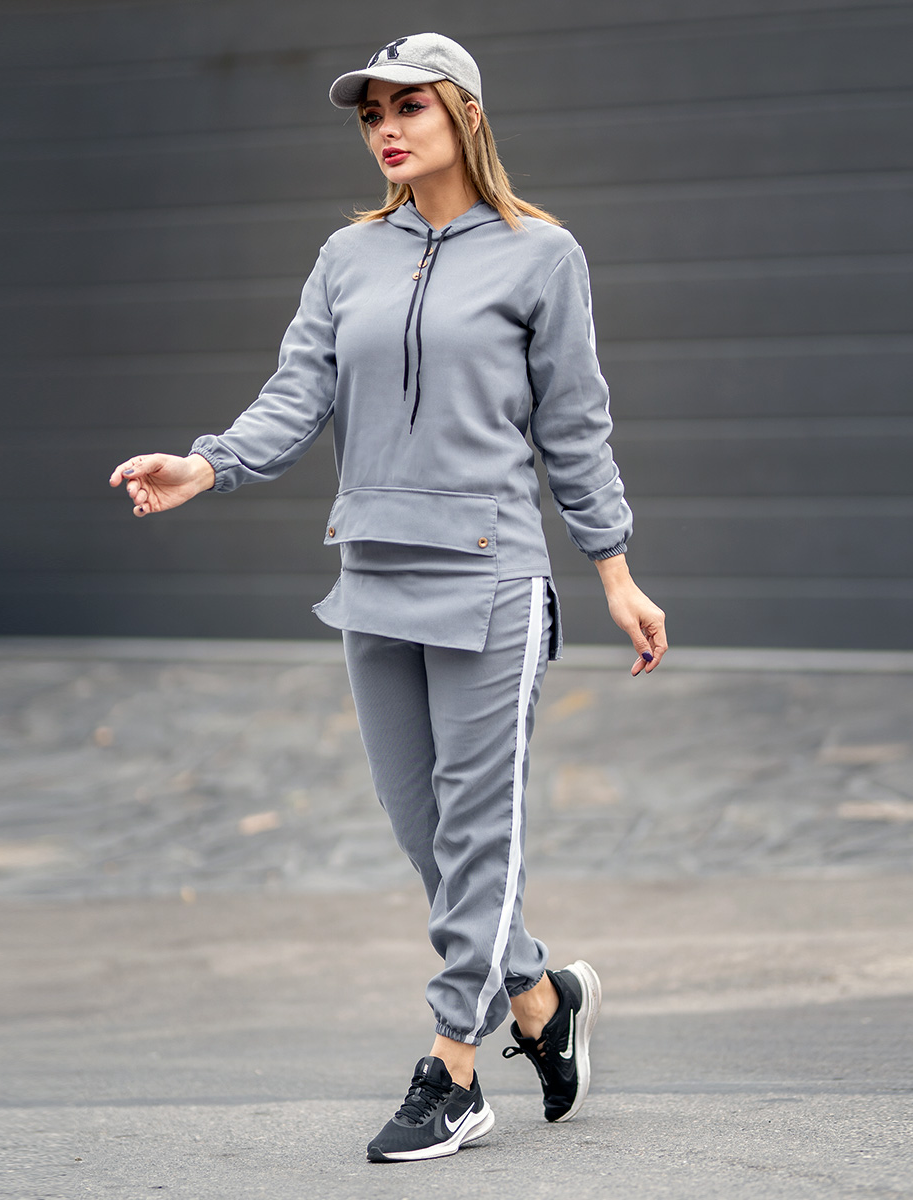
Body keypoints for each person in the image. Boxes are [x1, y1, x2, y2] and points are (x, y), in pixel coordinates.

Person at [109, 32, 666, 1164]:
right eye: (372, 114)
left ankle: (453, 1071)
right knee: (428, 833)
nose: (386, 128)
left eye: (409, 106)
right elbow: (296, 393)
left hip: (491, 579)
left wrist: (613, 568)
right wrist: (206, 465)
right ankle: (541, 1000)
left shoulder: (542, 255)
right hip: (371, 575)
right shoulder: (347, 255)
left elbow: (576, 424)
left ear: (466, 113)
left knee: (479, 833)